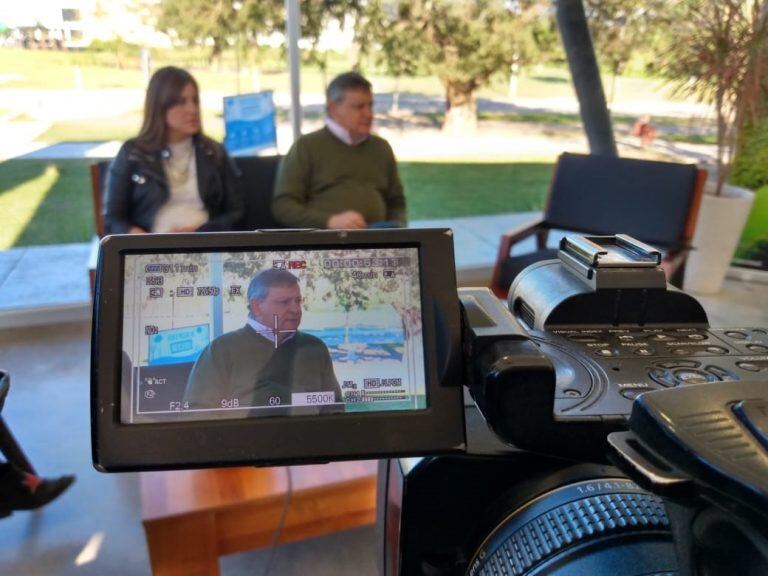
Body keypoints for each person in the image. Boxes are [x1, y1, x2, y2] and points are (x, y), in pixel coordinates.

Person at [104, 66, 245, 235]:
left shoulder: (213, 152)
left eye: (195, 100)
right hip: (151, 244)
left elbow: (237, 211)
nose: (193, 110)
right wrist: (140, 238)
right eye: (182, 102)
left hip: (204, 242)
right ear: (160, 107)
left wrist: (202, 232)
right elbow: (113, 217)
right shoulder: (133, 154)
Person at [183, 269, 342, 411]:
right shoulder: (221, 350)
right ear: (256, 306)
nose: (296, 309)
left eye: (298, 301)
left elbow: (334, 408)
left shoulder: (314, 348)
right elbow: (197, 413)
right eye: (284, 302)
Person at [272, 71, 407, 229]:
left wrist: (396, 228)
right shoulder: (306, 146)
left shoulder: (381, 148)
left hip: (380, 237)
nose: (368, 114)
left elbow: (397, 202)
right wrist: (329, 221)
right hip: (327, 239)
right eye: (359, 107)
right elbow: (283, 206)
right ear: (333, 108)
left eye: (370, 106)